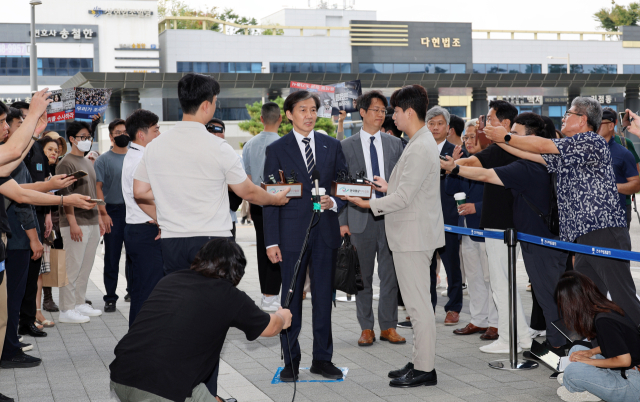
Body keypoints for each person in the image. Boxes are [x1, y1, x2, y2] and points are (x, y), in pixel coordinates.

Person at [487, 97, 640, 331]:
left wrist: (506, 136)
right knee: (587, 298)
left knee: (622, 295)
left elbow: (541, 146)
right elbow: (535, 155)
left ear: (583, 119)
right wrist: (499, 141)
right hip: (583, 237)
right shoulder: (572, 152)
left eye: (568, 114)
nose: (563, 118)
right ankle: (601, 347)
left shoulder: (590, 141)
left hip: (604, 232)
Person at [132, 73, 289, 277]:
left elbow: (139, 191)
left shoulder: (155, 146)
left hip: (172, 240)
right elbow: (247, 192)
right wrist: (275, 200)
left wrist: (162, 217)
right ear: (206, 105)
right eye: (215, 101)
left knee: (183, 301)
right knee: (213, 303)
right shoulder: (219, 147)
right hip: (213, 241)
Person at [442, 112, 569, 354]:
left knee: (549, 297)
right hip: (548, 237)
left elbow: (486, 174)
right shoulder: (546, 160)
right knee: (551, 295)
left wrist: (454, 168)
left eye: (517, 135)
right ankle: (558, 345)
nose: (512, 139)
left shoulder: (526, 167)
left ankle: (560, 349)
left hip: (539, 241)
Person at [344, 84, 444, 388]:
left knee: (417, 308)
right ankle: (419, 361)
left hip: (413, 238)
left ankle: (425, 369)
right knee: (416, 305)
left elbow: (403, 198)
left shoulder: (419, 145)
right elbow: (406, 190)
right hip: (411, 234)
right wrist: (387, 188)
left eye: (396, 111)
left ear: (409, 112)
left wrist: (368, 203)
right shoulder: (418, 142)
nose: (392, 117)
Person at [109, 238, 292, 402]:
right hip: (162, 391)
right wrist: (283, 317)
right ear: (237, 271)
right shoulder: (228, 294)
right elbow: (270, 328)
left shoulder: (171, 279)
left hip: (121, 376)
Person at [263, 90, 348, 382]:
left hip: (325, 231)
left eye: (313, 110)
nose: (309, 115)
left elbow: (342, 184)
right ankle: (291, 360)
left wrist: (334, 203)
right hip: (291, 235)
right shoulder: (277, 149)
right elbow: (270, 196)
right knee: (291, 298)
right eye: (302, 110)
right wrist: (271, 241)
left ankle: (322, 359)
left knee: (324, 298)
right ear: (289, 114)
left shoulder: (331, 145)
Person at [455, 100, 533, 354]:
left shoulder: (508, 149)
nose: (486, 124)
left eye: (490, 120)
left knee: (502, 285)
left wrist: (451, 165)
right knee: (502, 284)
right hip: (498, 225)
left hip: (503, 226)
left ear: (506, 124)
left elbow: (474, 166)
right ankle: (519, 337)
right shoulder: (504, 147)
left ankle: (511, 338)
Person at [338, 90, 405, 347]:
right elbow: (341, 187)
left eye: (383, 110)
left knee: (390, 275)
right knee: (362, 277)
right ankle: (366, 328)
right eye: (375, 110)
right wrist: (342, 222)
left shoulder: (395, 144)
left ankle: (388, 326)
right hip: (359, 219)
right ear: (362, 112)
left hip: (390, 218)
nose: (380, 114)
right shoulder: (345, 146)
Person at [444, 121, 498, 341]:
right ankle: (478, 319)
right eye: (466, 137)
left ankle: (495, 323)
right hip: (466, 228)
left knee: (491, 277)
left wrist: (477, 207)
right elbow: (450, 190)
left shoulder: (494, 160)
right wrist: (455, 166)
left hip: (488, 227)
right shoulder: (464, 162)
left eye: (473, 136)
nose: (469, 141)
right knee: (474, 276)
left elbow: (503, 197)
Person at [555, 271, 640, 402]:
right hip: (626, 371)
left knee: (573, 371)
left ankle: (583, 387)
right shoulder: (605, 308)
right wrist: (590, 352)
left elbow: (624, 360)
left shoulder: (603, 321)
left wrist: (589, 361)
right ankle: (589, 387)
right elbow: (618, 344)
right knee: (576, 350)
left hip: (633, 383)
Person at [56, 121, 104, 323]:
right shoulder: (66, 162)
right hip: (75, 222)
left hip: (91, 219)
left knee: (86, 266)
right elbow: (65, 195)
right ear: (72, 139)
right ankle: (66, 310)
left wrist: (99, 218)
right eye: (83, 137)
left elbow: (91, 192)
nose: (87, 140)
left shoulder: (85, 160)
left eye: (89, 136)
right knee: (72, 267)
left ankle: (78, 303)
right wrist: (72, 223)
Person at [122, 109, 163, 326]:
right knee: (149, 292)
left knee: (140, 291)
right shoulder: (140, 159)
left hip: (137, 230)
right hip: (145, 229)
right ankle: (142, 344)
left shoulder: (134, 155)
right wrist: (161, 221)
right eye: (156, 130)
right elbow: (140, 196)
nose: (159, 134)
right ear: (141, 134)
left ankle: (136, 341)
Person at [241, 102, 283, 312]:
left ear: (261, 119)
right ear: (281, 119)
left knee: (263, 247)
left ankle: (266, 294)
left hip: (257, 202)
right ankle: (273, 294)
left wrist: (249, 203)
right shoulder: (284, 144)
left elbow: (247, 179)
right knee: (277, 245)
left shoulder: (249, 145)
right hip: (279, 203)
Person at [425, 106, 464, 326]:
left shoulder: (457, 151)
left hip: (448, 217)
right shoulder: (420, 149)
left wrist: (452, 168)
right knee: (427, 266)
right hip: (425, 217)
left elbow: (458, 185)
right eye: (432, 123)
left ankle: (454, 307)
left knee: (452, 265)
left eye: (440, 123)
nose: (436, 127)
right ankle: (427, 308)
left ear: (448, 127)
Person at [95, 118, 130, 313]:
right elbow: (98, 188)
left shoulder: (136, 157)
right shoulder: (102, 160)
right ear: (110, 136)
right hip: (113, 212)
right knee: (112, 257)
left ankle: (132, 290)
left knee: (134, 255)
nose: (122, 135)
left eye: (125, 131)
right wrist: (103, 213)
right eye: (118, 132)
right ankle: (110, 297)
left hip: (134, 212)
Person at [599, 108, 640, 228]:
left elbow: (635, 173)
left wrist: (611, 186)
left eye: (600, 123)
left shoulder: (624, 145)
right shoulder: (587, 148)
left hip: (622, 203)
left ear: (613, 124)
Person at [205, 118, 242, 239]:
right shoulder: (197, 156)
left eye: (219, 130)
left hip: (227, 220)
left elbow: (241, 186)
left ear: (224, 134)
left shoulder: (234, 157)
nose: (215, 134)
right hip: (203, 220)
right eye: (211, 130)